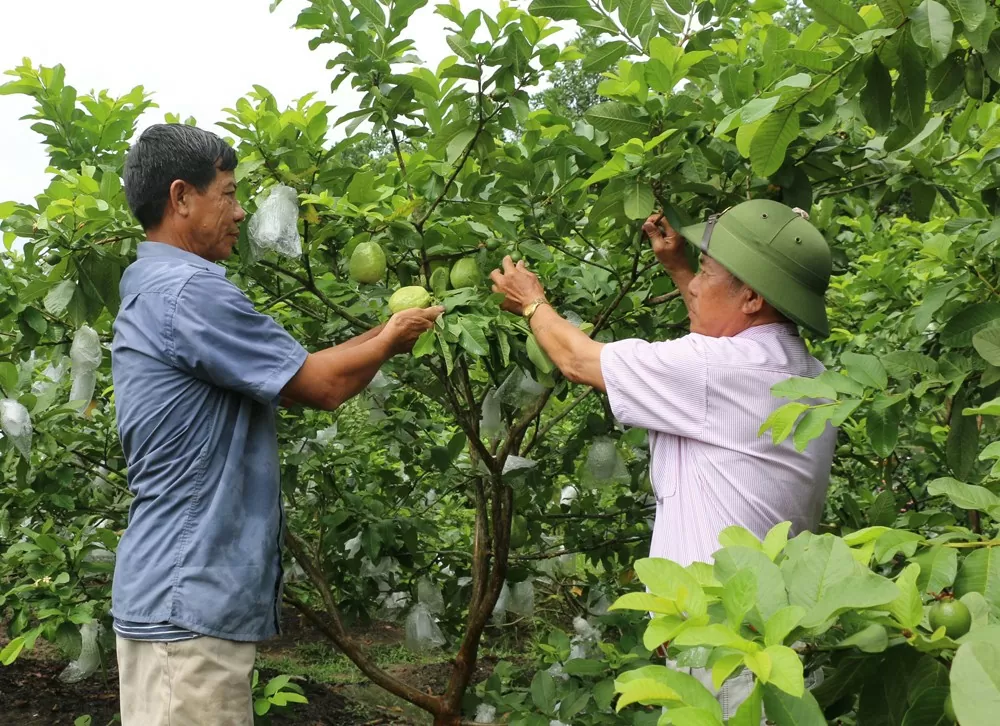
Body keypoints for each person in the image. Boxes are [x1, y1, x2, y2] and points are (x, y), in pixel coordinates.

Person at [110, 124, 443, 726]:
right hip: (185, 606)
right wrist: (390, 340)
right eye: (229, 194)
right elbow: (323, 386)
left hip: (178, 598)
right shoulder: (190, 292)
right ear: (182, 198)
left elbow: (302, 373)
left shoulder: (156, 283)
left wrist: (388, 335)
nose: (240, 213)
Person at [489, 200, 837, 717]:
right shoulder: (803, 371)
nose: (695, 285)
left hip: (724, 644)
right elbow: (716, 338)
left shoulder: (718, 373)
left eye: (707, 272)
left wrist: (532, 303)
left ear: (752, 297)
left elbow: (576, 359)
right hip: (759, 628)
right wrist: (679, 266)